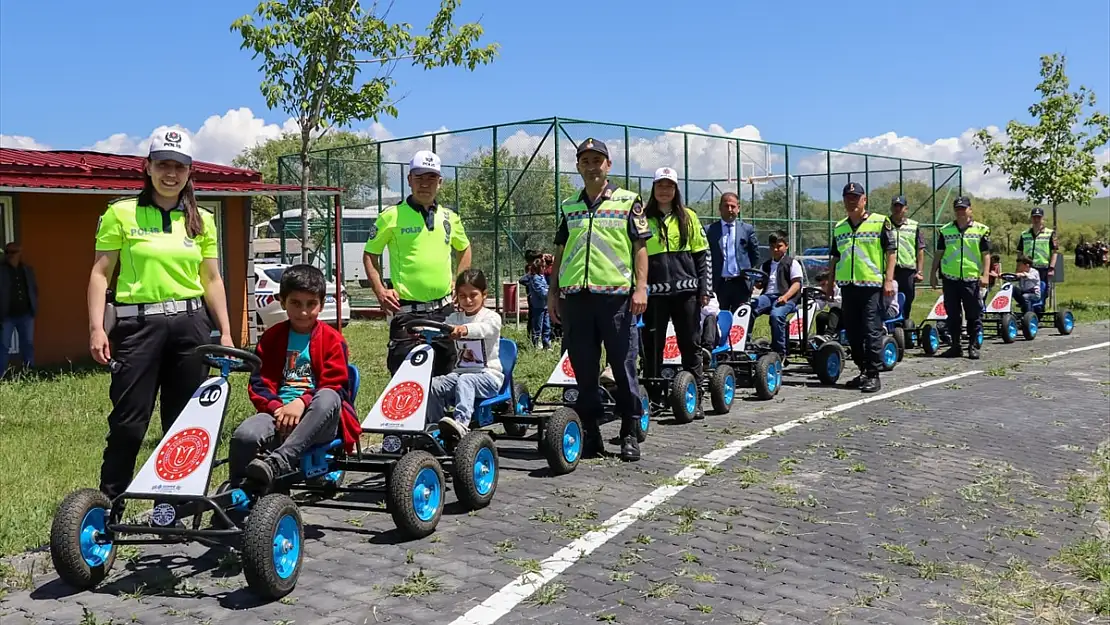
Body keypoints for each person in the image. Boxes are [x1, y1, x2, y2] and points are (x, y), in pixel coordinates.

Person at [87, 128, 234, 518]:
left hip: (191, 327)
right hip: (138, 327)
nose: (171, 173)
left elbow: (212, 280)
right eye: (163, 164)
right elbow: (101, 274)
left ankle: (174, 504)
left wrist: (228, 330)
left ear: (190, 172)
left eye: (180, 166)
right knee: (129, 422)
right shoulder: (121, 213)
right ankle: (109, 508)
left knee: (183, 420)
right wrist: (96, 328)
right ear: (147, 167)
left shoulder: (201, 219)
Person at [547, 138, 649, 462]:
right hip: (577, 298)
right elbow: (561, 251)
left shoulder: (629, 201)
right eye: (585, 161)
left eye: (597, 160)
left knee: (623, 367)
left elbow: (640, 247)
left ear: (608, 164)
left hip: (616, 299)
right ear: (578, 166)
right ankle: (590, 432)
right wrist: (553, 292)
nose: (592, 167)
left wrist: (641, 287)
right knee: (584, 371)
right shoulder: (569, 206)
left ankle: (629, 431)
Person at [232, 264, 361, 490]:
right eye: (295, 303)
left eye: (311, 304)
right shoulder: (271, 338)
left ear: (321, 304)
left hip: (319, 419)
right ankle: (237, 497)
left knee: (329, 396)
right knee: (245, 435)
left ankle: (279, 461)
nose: (303, 312)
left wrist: (301, 403)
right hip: (279, 414)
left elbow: (336, 384)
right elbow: (259, 384)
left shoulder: (332, 340)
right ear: (282, 301)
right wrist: (277, 408)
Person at [363, 150, 471, 376]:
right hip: (407, 313)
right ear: (409, 180)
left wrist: (459, 282)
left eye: (431, 178)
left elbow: (464, 249)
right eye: (419, 177)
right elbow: (370, 254)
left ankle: (441, 413)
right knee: (405, 380)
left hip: (444, 311)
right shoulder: (391, 216)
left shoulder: (450, 217)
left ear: (440, 182)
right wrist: (381, 291)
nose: (425, 184)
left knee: (447, 376)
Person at [641, 166, 712, 420]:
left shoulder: (689, 217)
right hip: (653, 296)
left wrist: (705, 289)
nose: (664, 190)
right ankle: (654, 398)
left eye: (669, 186)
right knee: (651, 348)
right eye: (660, 185)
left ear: (676, 189)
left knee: (690, 346)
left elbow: (703, 255)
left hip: (687, 293)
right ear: (653, 188)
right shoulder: (642, 217)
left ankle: (695, 398)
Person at [826, 182, 897, 393]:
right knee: (853, 333)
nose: (851, 201)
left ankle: (874, 375)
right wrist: (830, 283)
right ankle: (863, 370)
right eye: (848, 197)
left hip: (872, 286)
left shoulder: (880, 222)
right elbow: (835, 258)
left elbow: (891, 252)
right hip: (848, 287)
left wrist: (888, 280)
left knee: (871, 330)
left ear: (864, 200)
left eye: (855, 197)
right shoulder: (840, 227)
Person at [428, 269, 504, 439]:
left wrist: (464, 330)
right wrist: (422, 330)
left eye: (473, 295)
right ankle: (435, 426)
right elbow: (440, 328)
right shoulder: (455, 318)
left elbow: (484, 329)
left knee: (466, 380)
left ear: (484, 295)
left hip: (488, 376)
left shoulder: (491, 317)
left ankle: (461, 423)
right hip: (461, 373)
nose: (468, 300)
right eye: (462, 296)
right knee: (433, 385)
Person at [929, 196, 991, 360]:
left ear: (970, 210)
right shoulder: (946, 230)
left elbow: (986, 255)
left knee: (973, 314)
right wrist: (933, 273)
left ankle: (973, 346)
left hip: (971, 278)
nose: (960, 212)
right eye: (958, 209)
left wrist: (985, 274)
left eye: (963, 209)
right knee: (953, 315)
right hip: (950, 279)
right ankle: (955, 346)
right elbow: (939, 254)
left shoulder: (981, 230)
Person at [750, 230, 803, 361]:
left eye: (779, 246)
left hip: (788, 298)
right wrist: (755, 283)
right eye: (772, 246)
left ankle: (780, 352)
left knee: (776, 315)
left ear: (786, 246)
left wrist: (785, 297)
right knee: (748, 309)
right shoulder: (766, 265)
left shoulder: (792, 263)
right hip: (767, 297)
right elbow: (760, 285)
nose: (775, 249)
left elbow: (797, 284)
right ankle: (745, 344)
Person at [706, 192, 760, 313]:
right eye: (726, 206)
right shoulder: (709, 231)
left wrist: (750, 279)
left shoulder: (747, 229)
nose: (730, 209)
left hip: (741, 284)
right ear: (720, 208)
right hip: (719, 285)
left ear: (738, 208)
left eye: (733, 206)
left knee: (742, 321)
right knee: (718, 320)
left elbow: (754, 255)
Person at [0, 241, 38, 371]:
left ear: (19, 253)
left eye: (13, 252)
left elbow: (33, 289)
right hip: (6, 316)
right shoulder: (1, 270)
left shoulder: (27, 270)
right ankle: (2, 374)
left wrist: (33, 307)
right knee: (4, 345)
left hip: (26, 314)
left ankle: (29, 371)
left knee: (27, 344)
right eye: (7, 252)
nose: (9, 255)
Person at [888, 195, 925, 316]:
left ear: (906, 209)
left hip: (907, 269)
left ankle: (904, 322)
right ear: (891, 208)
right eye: (895, 206)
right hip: (888, 268)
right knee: (887, 296)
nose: (897, 209)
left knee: (907, 298)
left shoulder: (914, 226)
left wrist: (919, 271)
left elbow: (920, 250)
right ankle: (888, 323)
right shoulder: (884, 225)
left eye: (900, 206)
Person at [1017, 207, 1059, 296]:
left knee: (1043, 291)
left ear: (1042, 218)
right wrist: (1019, 267)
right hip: (1027, 267)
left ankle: (1041, 309)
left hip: (1043, 267)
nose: (1036, 220)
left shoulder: (1050, 233)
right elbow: (1020, 252)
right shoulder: (1024, 234)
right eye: (1034, 217)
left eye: (1038, 217)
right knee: (1026, 291)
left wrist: (1051, 268)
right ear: (1031, 218)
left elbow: (1054, 252)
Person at [518, 251, 552, 350]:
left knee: (547, 326)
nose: (544, 269)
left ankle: (547, 344)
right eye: (542, 267)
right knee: (537, 326)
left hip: (545, 306)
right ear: (538, 268)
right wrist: (551, 293)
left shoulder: (542, 277)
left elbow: (546, 287)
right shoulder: (535, 278)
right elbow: (542, 292)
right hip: (538, 306)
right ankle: (535, 344)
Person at [813, 271, 842, 336]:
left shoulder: (841, 289)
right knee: (821, 316)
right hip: (834, 319)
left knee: (835, 309)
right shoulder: (825, 293)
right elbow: (819, 306)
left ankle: (829, 334)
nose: (822, 287)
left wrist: (831, 298)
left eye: (823, 284)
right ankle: (819, 337)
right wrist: (811, 303)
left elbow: (842, 301)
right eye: (820, 285)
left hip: (847, 317)